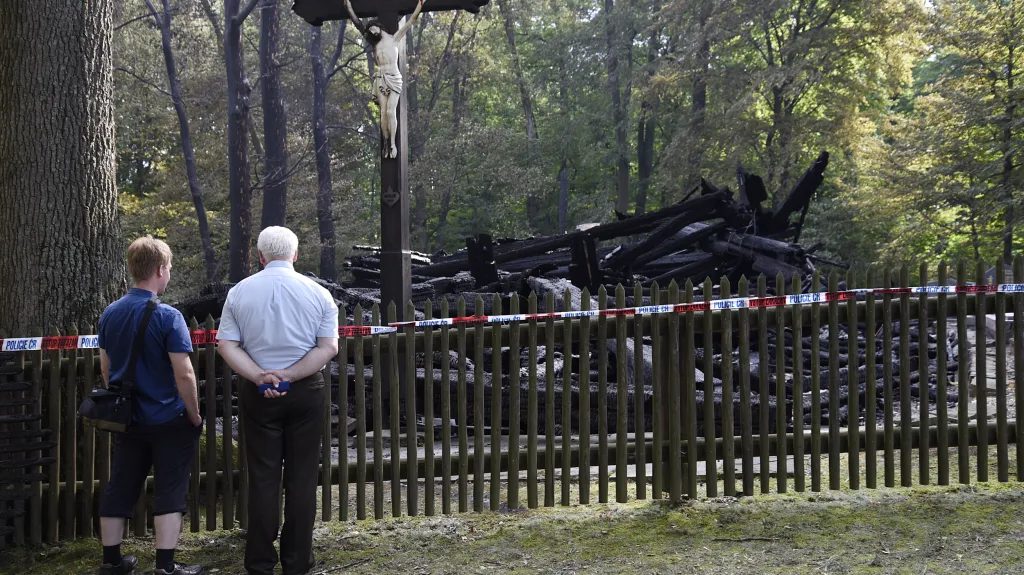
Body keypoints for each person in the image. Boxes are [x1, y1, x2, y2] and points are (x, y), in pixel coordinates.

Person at [216, 226, 339, 575]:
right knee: (302, 477)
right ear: (295, 255)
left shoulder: (239, 292)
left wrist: (260, 376)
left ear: (260, 256)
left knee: (263, 477)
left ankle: (259, 562)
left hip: (258, 391)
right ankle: (298, 561)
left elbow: (226, 345)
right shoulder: (319, 294)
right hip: (305, 390)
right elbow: (328, 347)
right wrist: (289, 375)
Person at [96, 236, 204, 575]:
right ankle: (165, 566)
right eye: (168, 267)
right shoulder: (168, 316)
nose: (168, 273)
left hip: (128, 418)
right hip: (168, 416)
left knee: (120, 485)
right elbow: (184, 373)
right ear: (159, 270)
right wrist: (193, 413)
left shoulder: (110, 313)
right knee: (170, 488)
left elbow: (106, 369)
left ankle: (112, 561)